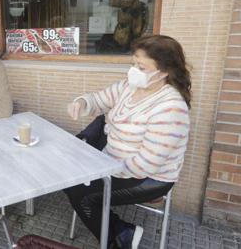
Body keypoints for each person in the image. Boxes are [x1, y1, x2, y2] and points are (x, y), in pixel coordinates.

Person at [65, 35, 191, 249]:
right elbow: (98, 99)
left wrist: (101, 171)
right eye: (133, 63)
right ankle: (122, 231)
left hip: (148, 177)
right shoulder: (128, 87)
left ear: (164, 72)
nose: (133, 71)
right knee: (68, 176)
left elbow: (147, 163)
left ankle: (118, 239)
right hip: (110, 161)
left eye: (141, 67)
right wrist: (81, 102)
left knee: (82, 194)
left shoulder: (170, 108)